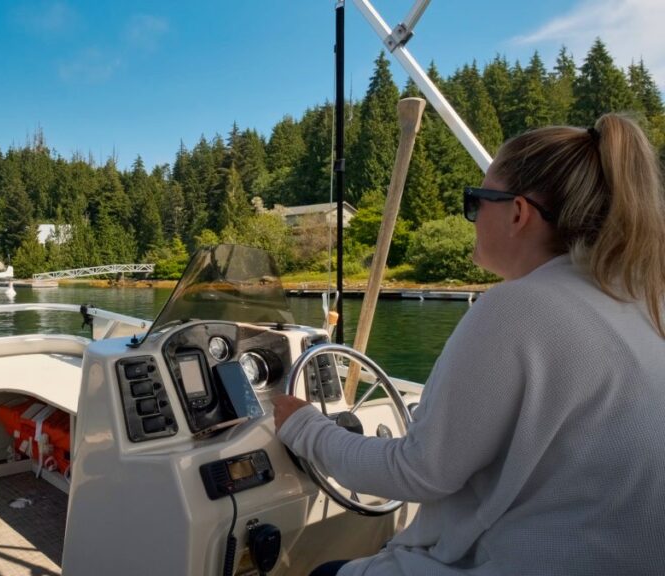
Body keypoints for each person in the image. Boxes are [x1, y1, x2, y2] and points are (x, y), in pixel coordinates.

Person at [272, 112, 665, 576]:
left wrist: (302, 427)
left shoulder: (517, 307)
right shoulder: (644, 301)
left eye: (476, 201)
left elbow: (417, 473)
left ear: (518, 213)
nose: (474, 216)